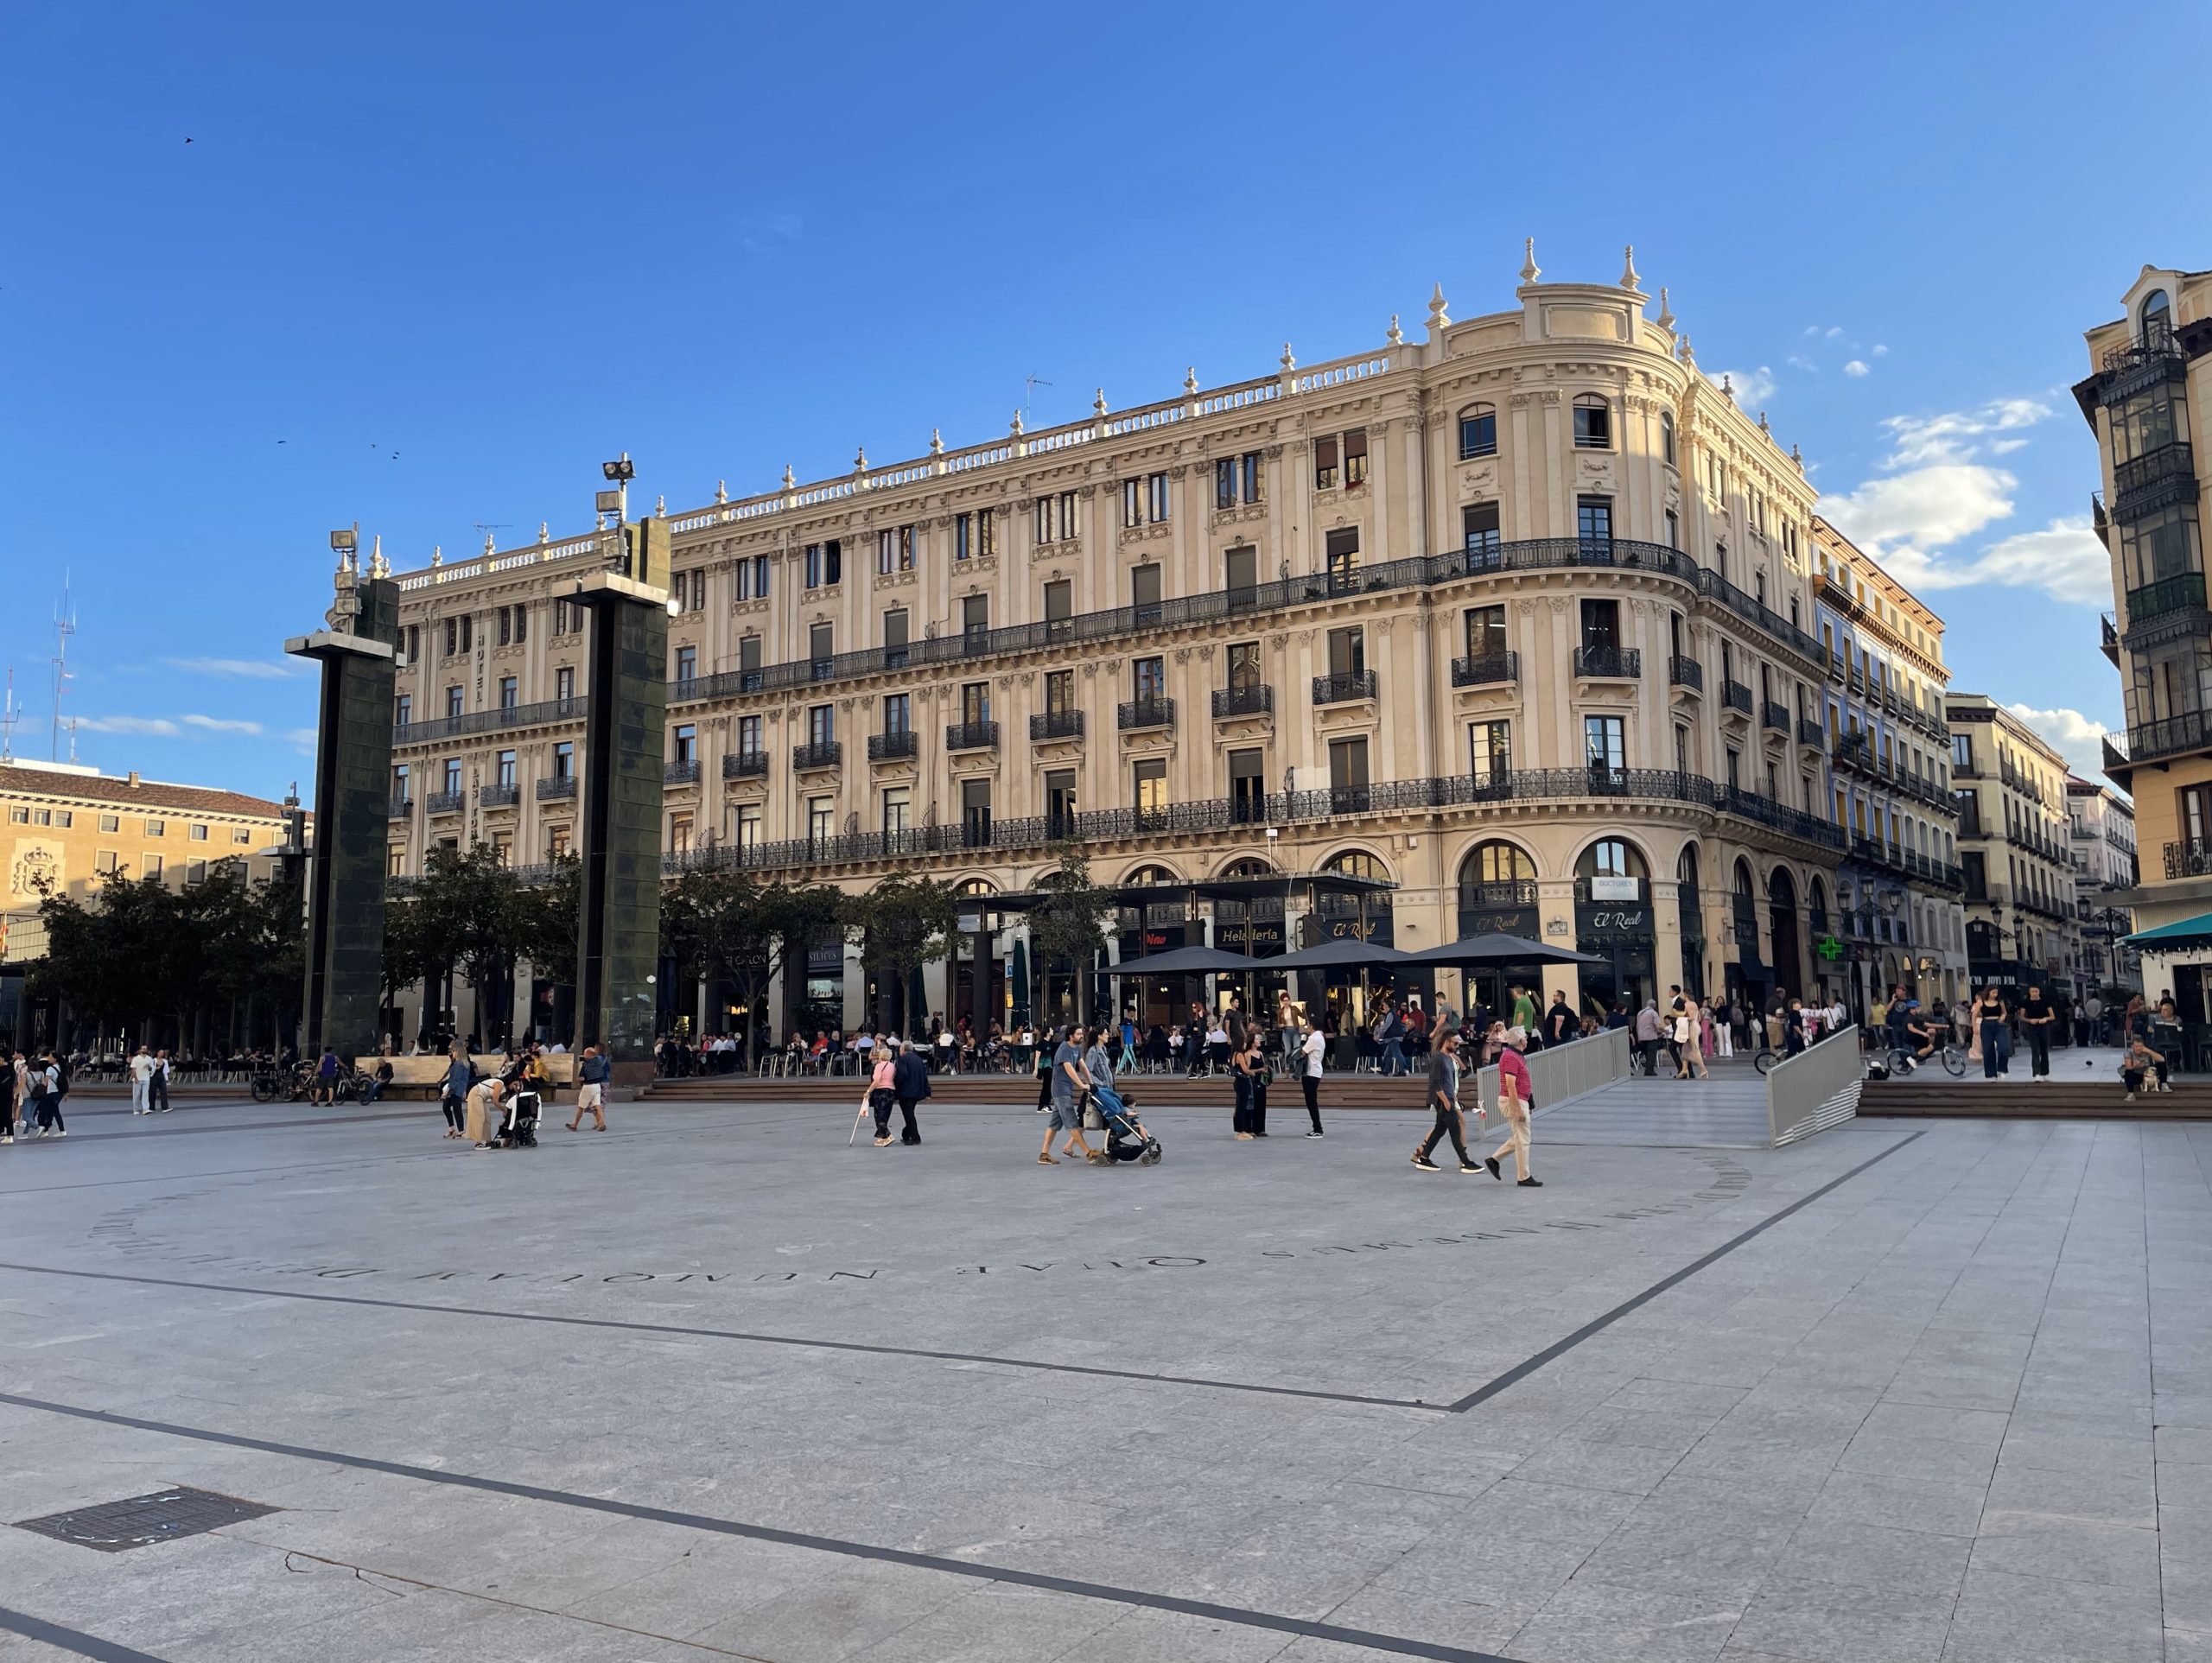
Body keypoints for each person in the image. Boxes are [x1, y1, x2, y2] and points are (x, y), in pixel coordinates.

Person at [1410, 1026, 1477, 1173]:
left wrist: (1453, 1097)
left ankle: (1424, 1157)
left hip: (1450, 1098)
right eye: (1455, 1043)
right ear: (1446, 1042)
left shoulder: (1448, 1058)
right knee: (1455, 1128)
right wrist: (1446, 1101)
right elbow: (1435, 1083)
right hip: (1443, 1100)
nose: (1457, 1046)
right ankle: (1466, 1162)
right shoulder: (1438, 1059)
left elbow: (1450, 1080)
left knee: (1440, 1129)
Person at [1485, 1025, 1540, 1186]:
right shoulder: (1510, 1057)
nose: (1527, 1039)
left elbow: (1521, 1083)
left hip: (1518, 1099)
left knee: (1520, 1136)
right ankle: (1523, 1176)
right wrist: (1517, 1108)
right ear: (1518, 1040)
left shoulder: (1516, 1055)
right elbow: (1511, 1085)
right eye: (1524, 1037)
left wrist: (1529, 1102)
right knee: (1523, 1138)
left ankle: (1494, 1160)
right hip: (1513, 1101)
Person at [1040, 1024, 1095, 1164]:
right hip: (1061, 1089)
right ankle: (1088, 1153)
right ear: (1071, 1036)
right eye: (1078, 1034)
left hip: (1065, 1089)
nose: (1081, 1036)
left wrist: (1091, 1082)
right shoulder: (1064, 1048)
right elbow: (1069, 1068)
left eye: (1082, 1034)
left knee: (1054, 1124)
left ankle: (1044, 1155)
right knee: (1072, 1122)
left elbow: (1082, 1065)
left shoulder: (1076, 1048)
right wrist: (1082, 1084)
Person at [890, 1038, 931, 1145]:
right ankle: (907, 1135)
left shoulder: (902, 1059)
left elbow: (902, 1074)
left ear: (903, 1049)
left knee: (908, 1115)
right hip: (917, 1090)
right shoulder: (918, 1059)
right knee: (910, 1113)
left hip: (906, 1091)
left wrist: (895, 1085)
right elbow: (924, 1076)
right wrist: (927, 1091)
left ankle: (915, 1137)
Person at [569, 1044, 610, 1131]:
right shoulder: (599, 1062)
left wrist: (579, 1080)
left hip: (588, 1087)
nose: (584, 1055)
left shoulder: (586, 1064)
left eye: (585, 1054)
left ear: (589, 1054)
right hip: (597, 1086)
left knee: (581, 1106)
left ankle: (574, 1125)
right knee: (598, 1106)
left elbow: (582, 1077)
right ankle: (602, 1123)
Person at [2020, 984, 2056, 1082]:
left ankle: (2045, 1072)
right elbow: (2022, 1016)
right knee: (2035, 1050)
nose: (2034, 993)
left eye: (2036, 991)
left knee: (2044, 1050)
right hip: (2032, 1027)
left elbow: (2052, 1016)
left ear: (2039, 992)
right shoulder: (2026, 1003)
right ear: (2029, 992)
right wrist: (2029, 1020)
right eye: (2032, 991)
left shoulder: (2045, 1002)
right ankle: (2036, 1073)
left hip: (2043, 1027)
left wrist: (2046, 1019)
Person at [1298, 1016, 1325, 1137]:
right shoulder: (1320, 1036)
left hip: (1311, 1072)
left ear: (1312, 1026)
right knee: (1311, 1100)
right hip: (1316, 1070)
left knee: (1311, 1101)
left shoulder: (1314, 1038)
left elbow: (1302, 1052)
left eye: (1308, 1025)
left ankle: (1317, 1128)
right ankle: (1317, 1127)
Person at [1230, 1029, 1261, 1140]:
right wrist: (1252, 1073)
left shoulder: (1233, 1055)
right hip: (1243, 1081)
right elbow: (1245, 1069)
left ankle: (1239, 1129)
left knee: (1239, 1105)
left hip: (1238, 1081)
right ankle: (1241, 1130)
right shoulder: (1240, 1055)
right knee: (1242, 1106)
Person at [1974, 987, 2009, 1080]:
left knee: (2003, 1048)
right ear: (1988, 992)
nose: (1995, 995)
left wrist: (2003, 1016)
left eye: (1996, 993)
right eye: (1993, 992)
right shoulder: (1981, 1001)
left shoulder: (2000, 1002)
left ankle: (2002, 1069)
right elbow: (1974, 1014)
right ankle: (1991, 1074)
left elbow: (2004, 1012)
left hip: (1998, 1024)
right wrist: (1974, 1027)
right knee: (1988, 1050)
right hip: (1986, 1025)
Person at [462, 1075, 504, 1148]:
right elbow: (495, 1101)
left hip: (483, 1097)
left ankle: (487, 1140)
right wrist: (504, 1110)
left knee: (487, 1118)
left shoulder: (501, 1086)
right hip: (476, 1094)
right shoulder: (499, 1084)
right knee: (479, 1117)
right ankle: (478, 1142)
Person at [440, 1044, 472, 1139]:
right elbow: (465, 1079)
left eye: (453, 1052)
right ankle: (452, 1128)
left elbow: (455, 1079)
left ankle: (461, 1131)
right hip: (460, 1088)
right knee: (448, 1107)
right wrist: (464, 1089)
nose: (452, 1054)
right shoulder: (465, 1063)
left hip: (455, 1089)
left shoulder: (458, 1064)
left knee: (456, 1109)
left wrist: (446, 1092)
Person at [2122, 1033, 2169, 1097]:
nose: (2139, 1049)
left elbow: (2162, 1059)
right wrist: (2136, 1066)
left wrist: (2149, 1051)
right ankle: (2131, 1093)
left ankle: (2164, 1084)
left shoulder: (2147, 1052)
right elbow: (2128, 1067)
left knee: (2161, 1064)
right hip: (2137, 1075)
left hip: (2149, 1074)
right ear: (2132, 1046)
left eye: (2140, 1046)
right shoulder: (2129, 1053)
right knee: (2128, 1073)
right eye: (2136, 1046)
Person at [1673, 999, 1708, 1080]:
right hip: (1696, 1026)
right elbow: (1699, 1018)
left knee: (1695, 1049)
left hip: (1692, 1027)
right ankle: (1684, 1070)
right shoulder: (1695, 1005)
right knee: (1685, 1049)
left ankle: (1703, 1070)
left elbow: (1691, 1017)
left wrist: (1681, 1017)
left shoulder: (1688, 1005)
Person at [1632, 997, 1663, 1076]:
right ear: (1654, 1006)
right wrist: (1663, 1031)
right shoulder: (1653, 1013)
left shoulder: (1640, 1013)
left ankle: (1648, 1069)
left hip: (1641, 1037)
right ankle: (1649, 1071)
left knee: (1647, 1054)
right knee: (1652, 1054)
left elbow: (1637, 1025)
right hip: (1651, 1036)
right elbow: (1658, 1026)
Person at [130, 1043, 156, 1115]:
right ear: (140, 1050)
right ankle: (136, 1109)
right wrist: (135, 1078)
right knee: (136, 1094)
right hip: (138, 1078)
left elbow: (151, 1069)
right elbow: (133, 1069)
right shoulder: (135, 1059)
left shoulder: (149, 1059)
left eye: (146, 1049)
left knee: (145, 1094)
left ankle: (145, 1109)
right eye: (143, 1048)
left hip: (146, 1078)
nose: (144, 1050)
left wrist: (149, 1067)